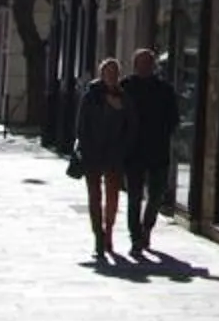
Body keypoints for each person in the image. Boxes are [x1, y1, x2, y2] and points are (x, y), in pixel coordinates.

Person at [74, 57, 133, 264]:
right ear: (102, 74)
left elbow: (130, 126)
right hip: (93, 155)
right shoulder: (91, 96)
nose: (112, 76)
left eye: (115, 73)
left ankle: (108, 231)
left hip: (114, 155)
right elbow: (81, 125)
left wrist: (121, 110)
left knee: (113, 197)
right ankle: (98, 237)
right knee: (94, 197)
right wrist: (86, 148)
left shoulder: (124, 97)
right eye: (108, 72)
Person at [122, 47, 180, 256]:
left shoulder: (164, 89)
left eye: (148, 63)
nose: (145, 66)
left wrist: (163, 131)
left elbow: (173, 118)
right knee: (134, 197)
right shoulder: (126, 87)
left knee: (156, 195)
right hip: (133, 151)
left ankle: (147, 227)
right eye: (141, 63)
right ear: (135, 65)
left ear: (153, 65)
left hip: (158, 150)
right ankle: (135, 237)